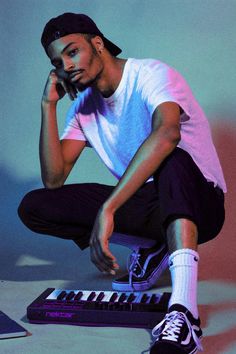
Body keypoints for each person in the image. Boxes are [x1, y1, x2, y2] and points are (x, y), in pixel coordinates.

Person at [18, 12, 226, 354]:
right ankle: (154, 244)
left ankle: (184, 315)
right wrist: (48, 105)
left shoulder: (150, 74)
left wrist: (108, 209)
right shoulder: (83, 108)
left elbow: (167, 133)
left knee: (171, 157)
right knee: (36, 206)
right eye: (57, 61)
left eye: (72, 52)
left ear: (97, 43)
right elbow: (54, 178)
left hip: (201, 202)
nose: (66, 66)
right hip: (152, 201)